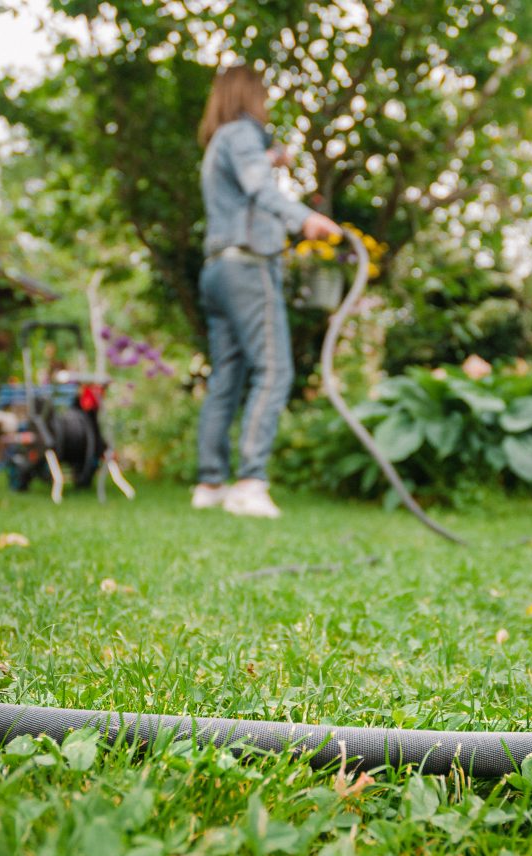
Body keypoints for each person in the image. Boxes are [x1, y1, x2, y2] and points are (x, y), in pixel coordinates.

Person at [192, 63, 339, 517]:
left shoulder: (220, 142)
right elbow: (257, 188)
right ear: (250, 95)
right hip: (248, 266)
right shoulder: (241, 134)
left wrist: (274, 157)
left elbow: (248, 177)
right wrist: (304, 219)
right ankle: (250, 483)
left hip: (216, 269)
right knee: (274, 370)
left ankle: (210, 483)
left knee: (227, 378)